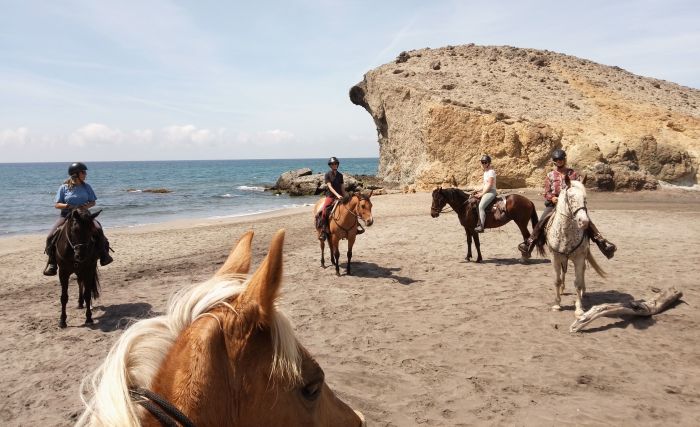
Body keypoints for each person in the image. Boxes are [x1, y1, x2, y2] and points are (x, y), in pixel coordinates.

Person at [518, 149, 617, 258]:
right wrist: (552, 198)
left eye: (561, 159)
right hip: (555, 204)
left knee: (586, 220)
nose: (559, 161)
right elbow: (547, 192)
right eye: (556, 159)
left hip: (571, 203)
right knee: (542, 221)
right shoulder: (550, 175)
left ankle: (603, 244)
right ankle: (529, 244)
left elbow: (579, 188)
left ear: (564, 159)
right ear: (554, 161)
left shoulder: (573, 173)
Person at [43, 162, 113, 276]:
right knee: (50, 236)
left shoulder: (87, 187)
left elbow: (93, 202)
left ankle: (104, 255)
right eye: (83, 172)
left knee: (98, 229)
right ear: (75, 174)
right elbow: (57, 205)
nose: (85, 174)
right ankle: (52, 263)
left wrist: (85, 206)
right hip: (66, 215)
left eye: (84, 172)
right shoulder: (63, 187)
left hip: (84, 215)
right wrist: (68, 206)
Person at [316, 157, 345, 241]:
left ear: (337, 164)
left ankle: (355, 227)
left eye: (335, 163)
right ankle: (324, 231)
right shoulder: (327, 174)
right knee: (324, 210)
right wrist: (337, 195)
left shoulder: (340, 175)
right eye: (332, 164)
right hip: (330, 196)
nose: (334, 165)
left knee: (350, 207)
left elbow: (342, 187)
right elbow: (330, 186)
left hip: (340, 196)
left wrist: (345, 195)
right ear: (330, 165)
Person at [473, 155, 497, 233]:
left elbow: (490, 185)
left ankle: (481, 226)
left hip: (491, 192)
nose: (483, 164)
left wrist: (482, 194)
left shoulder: (491, 172)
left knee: (481, 206)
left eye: (485, 162)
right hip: (486, 191)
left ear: (488, 163)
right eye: (482, 162)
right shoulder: (485, 172)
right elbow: (484, 185)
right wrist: (477, 190)